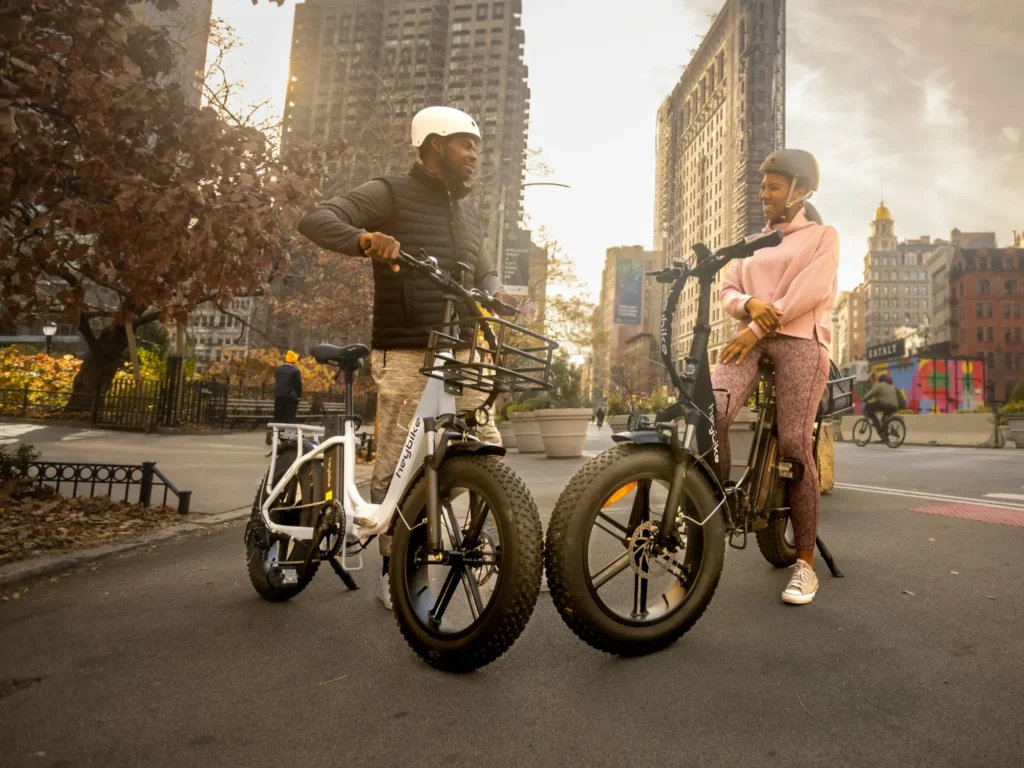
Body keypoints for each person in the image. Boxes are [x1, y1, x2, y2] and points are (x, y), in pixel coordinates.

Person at [297, 106, 505, 609]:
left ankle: (494, 556)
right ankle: (397, 569)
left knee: (486, 452)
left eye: (475, 145)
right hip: (409, 348)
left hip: (465, 350)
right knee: (399, 463)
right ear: (435, 145)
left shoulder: (468, 210)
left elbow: (484, 271)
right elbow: (318, 219)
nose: (474, 154)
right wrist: (366, 240)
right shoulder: (389, 192)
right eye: (465, 144)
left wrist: (498, 293)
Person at [714, 148, 839, 606]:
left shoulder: (823, 236)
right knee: (710, 414)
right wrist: (747, 306)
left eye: (773, 186)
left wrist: (757, 325)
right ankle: (715, 509)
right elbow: (728, 288)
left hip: (801, 339)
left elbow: (811, 291)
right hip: (752, 334)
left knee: (793, 443)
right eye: (762, 185)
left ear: (800, 190)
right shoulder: (751, 242)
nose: (762, 193)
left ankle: (804, 564)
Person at [273, 351, 303, 423]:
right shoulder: (295, 370)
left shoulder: (278, 370)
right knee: (290, 418)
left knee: (278, 417)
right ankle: (289, 433)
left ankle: (277, 433)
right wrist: (299, 396)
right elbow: (298, 385)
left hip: (279, 396)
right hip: (290, 397)